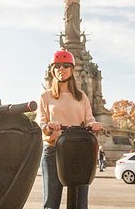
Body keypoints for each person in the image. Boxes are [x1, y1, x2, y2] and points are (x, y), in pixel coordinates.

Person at [36, 49, 102, 209]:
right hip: (53, 150)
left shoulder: (81, 96)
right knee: (51, 203)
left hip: (78, 151)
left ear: (72, 69)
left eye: (66, 66)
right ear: (52, 70)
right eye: (57, 66)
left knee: (80, 203)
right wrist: (48, 127)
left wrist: (94, 125)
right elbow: (40, 124)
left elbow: (89, 118)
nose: (61, 69)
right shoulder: (46, 96)